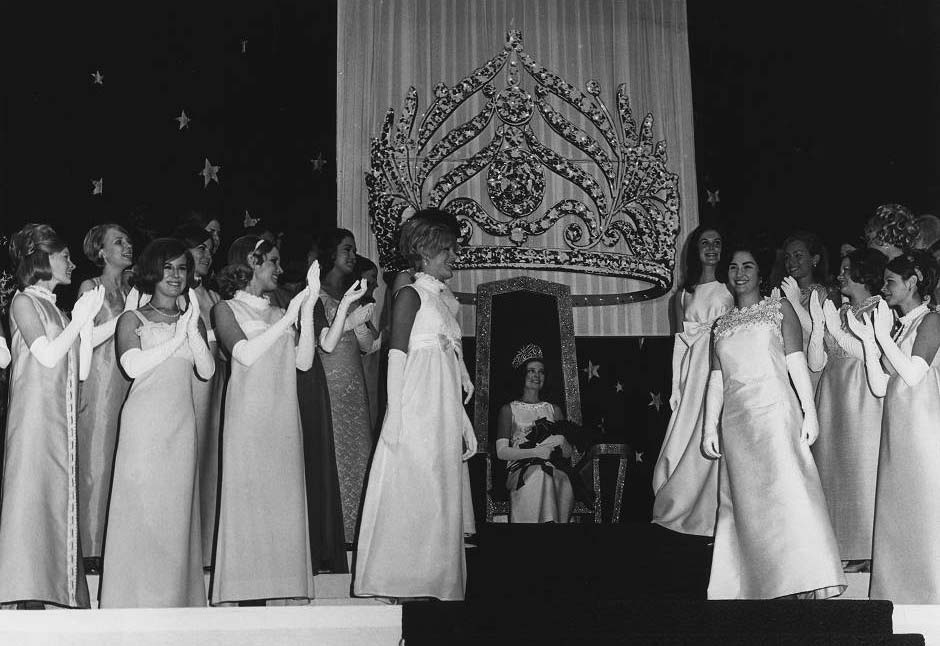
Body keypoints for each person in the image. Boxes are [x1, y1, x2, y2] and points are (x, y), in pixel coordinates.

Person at [210, 235, 361, 604]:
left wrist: (306, 309)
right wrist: (291, 315)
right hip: (249, 417)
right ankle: (244, 590)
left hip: (283, 416)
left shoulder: (280, 312)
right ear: (252, 261)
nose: (279, 269)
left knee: (284, 504)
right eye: (273, 261)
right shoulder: (226, 309)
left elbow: (304, 361)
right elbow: (245, 354)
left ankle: (283, 588)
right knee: (249, 501)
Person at [702, 240, 845, 600]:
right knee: (746, 505)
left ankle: (804, 581)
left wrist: (809, 413)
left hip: (777, 417)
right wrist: (708, 427)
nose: (740, 274)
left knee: (790, 495)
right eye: (733, 267)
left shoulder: (778, 309)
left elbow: (796, 363)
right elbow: (716, 380)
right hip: (737, 426)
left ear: (760, 272)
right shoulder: (720, 325)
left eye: (747, 266)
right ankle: (756, 585)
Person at [355, 209, 477, 601]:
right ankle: (400, 580)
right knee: (413, 486)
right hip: (416, 406)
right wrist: (395, 415)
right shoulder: (410, 295)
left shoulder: (442, 301)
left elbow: (450, 360)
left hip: (442, 410)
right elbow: (396, 356)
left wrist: (463, 421)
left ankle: (434, 581)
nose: (453, 257)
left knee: (439, 490)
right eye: (446, 250)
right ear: (424, 252)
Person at [99, 238, 214, 608]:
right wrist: (177, 337)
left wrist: (190, 329)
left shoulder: (190, 320)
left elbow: (207, 370)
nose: (175, 276)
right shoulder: (132, 318)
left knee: (174, 514)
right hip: (143, 426)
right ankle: (132, 602)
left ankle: (173, 601)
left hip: (180, 427)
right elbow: (132, 366)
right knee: (142, 510)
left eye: (181, 268)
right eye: (167, 268)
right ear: (152, 271)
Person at [0, 224, 102, 609]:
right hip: (33, 419)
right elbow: (45, 356)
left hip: (60, 418)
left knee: (56, 500)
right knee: (32, 495)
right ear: (43, 258)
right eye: (64, 256)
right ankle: (25, 592)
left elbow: (81, 369)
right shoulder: (23, 302)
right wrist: (78, 320)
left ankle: (56, 591)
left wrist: (85, 323)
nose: (72, 263)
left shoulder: (57, 309)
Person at [846, 251, 940, 603]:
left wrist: (882, 336)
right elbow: (880, 385)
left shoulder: (931, 321)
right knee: (900, 515)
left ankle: (931, 597)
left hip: (924, 433)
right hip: (898, 433)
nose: (883, 288)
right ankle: (901, 598)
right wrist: (870, 340)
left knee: (925, 511)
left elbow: (913, 375)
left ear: (912, 283)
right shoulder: (901, 328)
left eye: (890, 281)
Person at [652, 224, 732, 536]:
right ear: (696, 251)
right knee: (688, 430)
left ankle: (718, 510)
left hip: (723, 366)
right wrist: (676, 386)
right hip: (694, 370)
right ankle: (681, 502)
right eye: (705, 243)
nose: (711, 248)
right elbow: (679, 342)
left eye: (717, 242)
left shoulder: (731, 286)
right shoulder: (684, 295)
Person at [808, 249, 886, 572]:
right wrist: (818, 326)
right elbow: (816, 363)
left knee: (861, 470)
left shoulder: (879, 308)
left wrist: (836, 329)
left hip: (861, 397)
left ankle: (866, 551)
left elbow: (872, 355)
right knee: (832, 471)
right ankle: (839, 546)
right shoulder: (839, 311)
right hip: (832, 397)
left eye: (846, 269)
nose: (839, 275)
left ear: (862, 273)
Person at [75, 224, 135, 571]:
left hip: (130, 383)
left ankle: (118, 544)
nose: (127, 246)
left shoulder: (134, 289)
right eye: (118, 242)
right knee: (96, 460)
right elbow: (84, 340)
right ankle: (91, 548)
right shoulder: (90, 287)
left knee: (124, 460)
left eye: (128, 241)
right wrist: (126, 316)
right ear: (101, 251)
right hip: (100, 384)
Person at [317, 228, 375, 544]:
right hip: (329, 384)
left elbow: (366, 346)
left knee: (358, 454)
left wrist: (362, 322)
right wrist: (350, 321)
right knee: (333, 453)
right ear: (331, 253)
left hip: (354, 385)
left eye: (353, 250)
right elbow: (320, 342)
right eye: (346, 249)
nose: (353, 256)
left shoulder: (350, 293)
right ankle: (332, 532)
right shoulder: (315, 293)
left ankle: (356, 532)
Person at [174, 223, 226, 569]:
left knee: (209, 461)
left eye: (209, 248)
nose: (207, 254)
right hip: (185, 385)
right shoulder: (174, 295)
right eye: (200, 248)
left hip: (214, 384)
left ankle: (206, 549)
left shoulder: (214, 298)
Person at [495, 344, 573, 523]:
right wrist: (535, 452)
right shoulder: (509, 409)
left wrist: (562, 441)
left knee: (561, 479)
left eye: (541, 372)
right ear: (522, 374)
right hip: (520, 472)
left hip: (553, 469)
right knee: (539, 475)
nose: (536, 376)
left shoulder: (553, 410)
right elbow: (501, 452)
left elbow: (568, 453)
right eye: (531, 371)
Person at [778, 231, 836, 390]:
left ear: (814, 259)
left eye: (798, 255)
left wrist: (795, 303)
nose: (791, 262)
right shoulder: (783, 295)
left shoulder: (825, 293)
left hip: (816, 371)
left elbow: (828, 337)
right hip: (788, 371)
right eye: (787, 257)